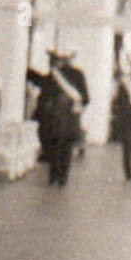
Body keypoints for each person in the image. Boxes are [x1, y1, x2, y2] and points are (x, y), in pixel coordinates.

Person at [27, 50, 89, 186]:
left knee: (55, 146)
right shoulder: (77, 75)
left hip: (55, 119)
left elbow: (43, 90)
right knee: (65, 147)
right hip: (69, 119)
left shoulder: (55, 75)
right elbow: (85, 98)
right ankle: (61, 177)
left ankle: (55, 175)